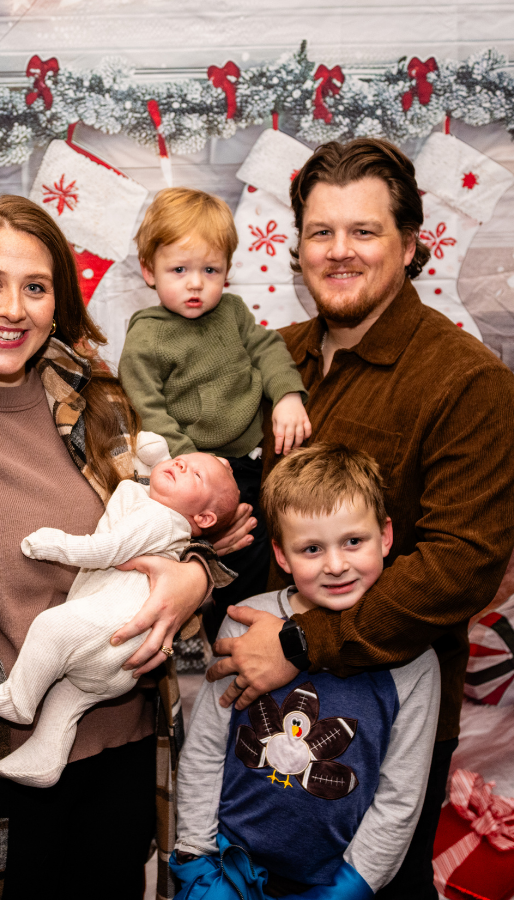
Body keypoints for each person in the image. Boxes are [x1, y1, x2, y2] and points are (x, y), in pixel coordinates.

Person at [0, 194, 250, 899]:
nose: (12, 310)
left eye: (35, 287)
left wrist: (193, 581)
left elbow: (194, 530)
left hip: (121, 745)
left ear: (58, 303)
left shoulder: (103, 401)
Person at [207, 137, 514, 899]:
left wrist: (299, 642)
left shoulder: (467, 383)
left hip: (382, 723)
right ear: (297, 247)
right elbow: (226, 505)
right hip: (251, 710)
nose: (339, 252)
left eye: (364, 231)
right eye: (321, 232)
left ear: (411, 245)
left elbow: (459, 568)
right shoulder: (270, 361)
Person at [175, 444, 439, 900]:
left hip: (328, 880)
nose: (336, 565)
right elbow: (205, 747)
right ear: (281, 554)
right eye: (312, 548)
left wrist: (353, 885)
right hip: (227, 866)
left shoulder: (415, 659)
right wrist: (195, 854)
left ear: (386, 537)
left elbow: (401, 796)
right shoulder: (246, 622)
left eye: (353, 541)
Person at [0, 449, 241, 788]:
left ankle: (18, 699)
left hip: (111, 633)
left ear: (203, 520)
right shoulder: (161, 515)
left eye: (196, 475)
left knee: (50, 626)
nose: (181, 465)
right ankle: (44, 758)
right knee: (66, 699)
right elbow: (147, 471)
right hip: (121, 662)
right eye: (182, 460)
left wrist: (54, 544)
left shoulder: (158, 517)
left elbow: (108, 549)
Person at [119, 187, 311, 635]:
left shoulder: (232, 312)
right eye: (179, 269)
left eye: (210, 270)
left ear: (227, 271)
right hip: (195, 476)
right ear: (149, 271)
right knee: (228, 558)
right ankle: (231, 637)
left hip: (252, 463)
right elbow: (150, 411)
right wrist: (194, 468)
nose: (195, 283)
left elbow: (268, 349)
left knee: (266, 547)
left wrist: (286, 394)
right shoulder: (147, 338)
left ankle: (269, 630)